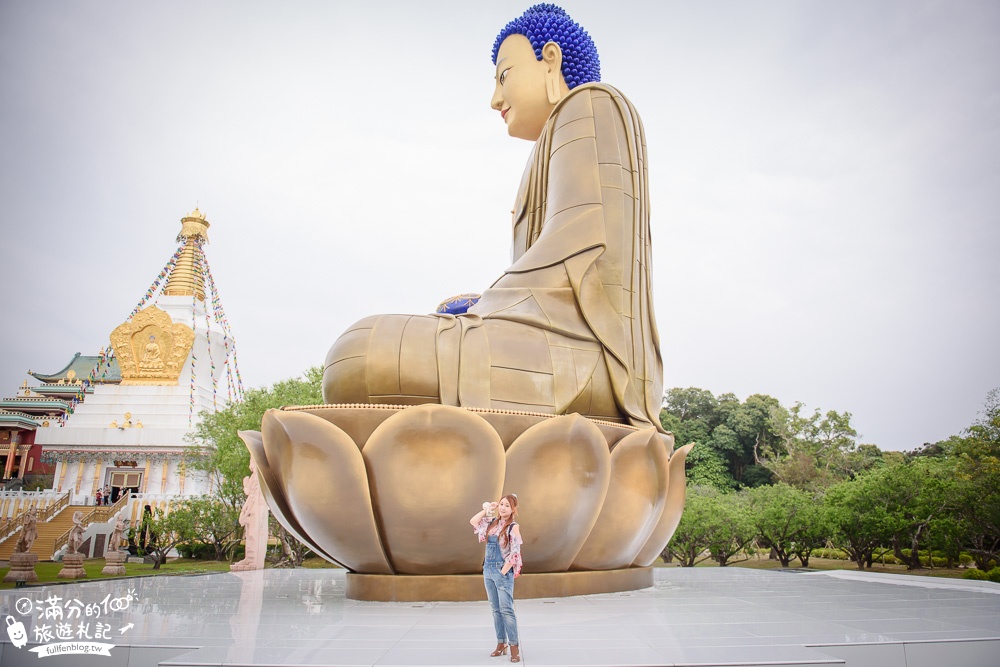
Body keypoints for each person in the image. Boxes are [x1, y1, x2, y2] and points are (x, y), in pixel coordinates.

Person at [323, 3, 664, 432]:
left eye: (504, 75)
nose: (495, 99)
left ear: (551, 60)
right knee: (359, 352)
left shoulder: (592, 104)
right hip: (546, 344)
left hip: (583, 357)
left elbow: (579, 246)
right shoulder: (554, 139)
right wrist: (490, 305)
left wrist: (489, 304)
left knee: (358, 351)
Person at [470, 494, 523, 663]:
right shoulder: (491, 522)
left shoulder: (513, 527)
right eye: (501, 504)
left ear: (513, 509)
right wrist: (488, 509)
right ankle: (501, 644)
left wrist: (503, 571)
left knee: (507, 610)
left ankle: (514, 647)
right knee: (495, 610)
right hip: (488, 570)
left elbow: (515, 553)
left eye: (507, 505)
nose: (503, 508)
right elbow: (473, 521)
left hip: (502, 572)